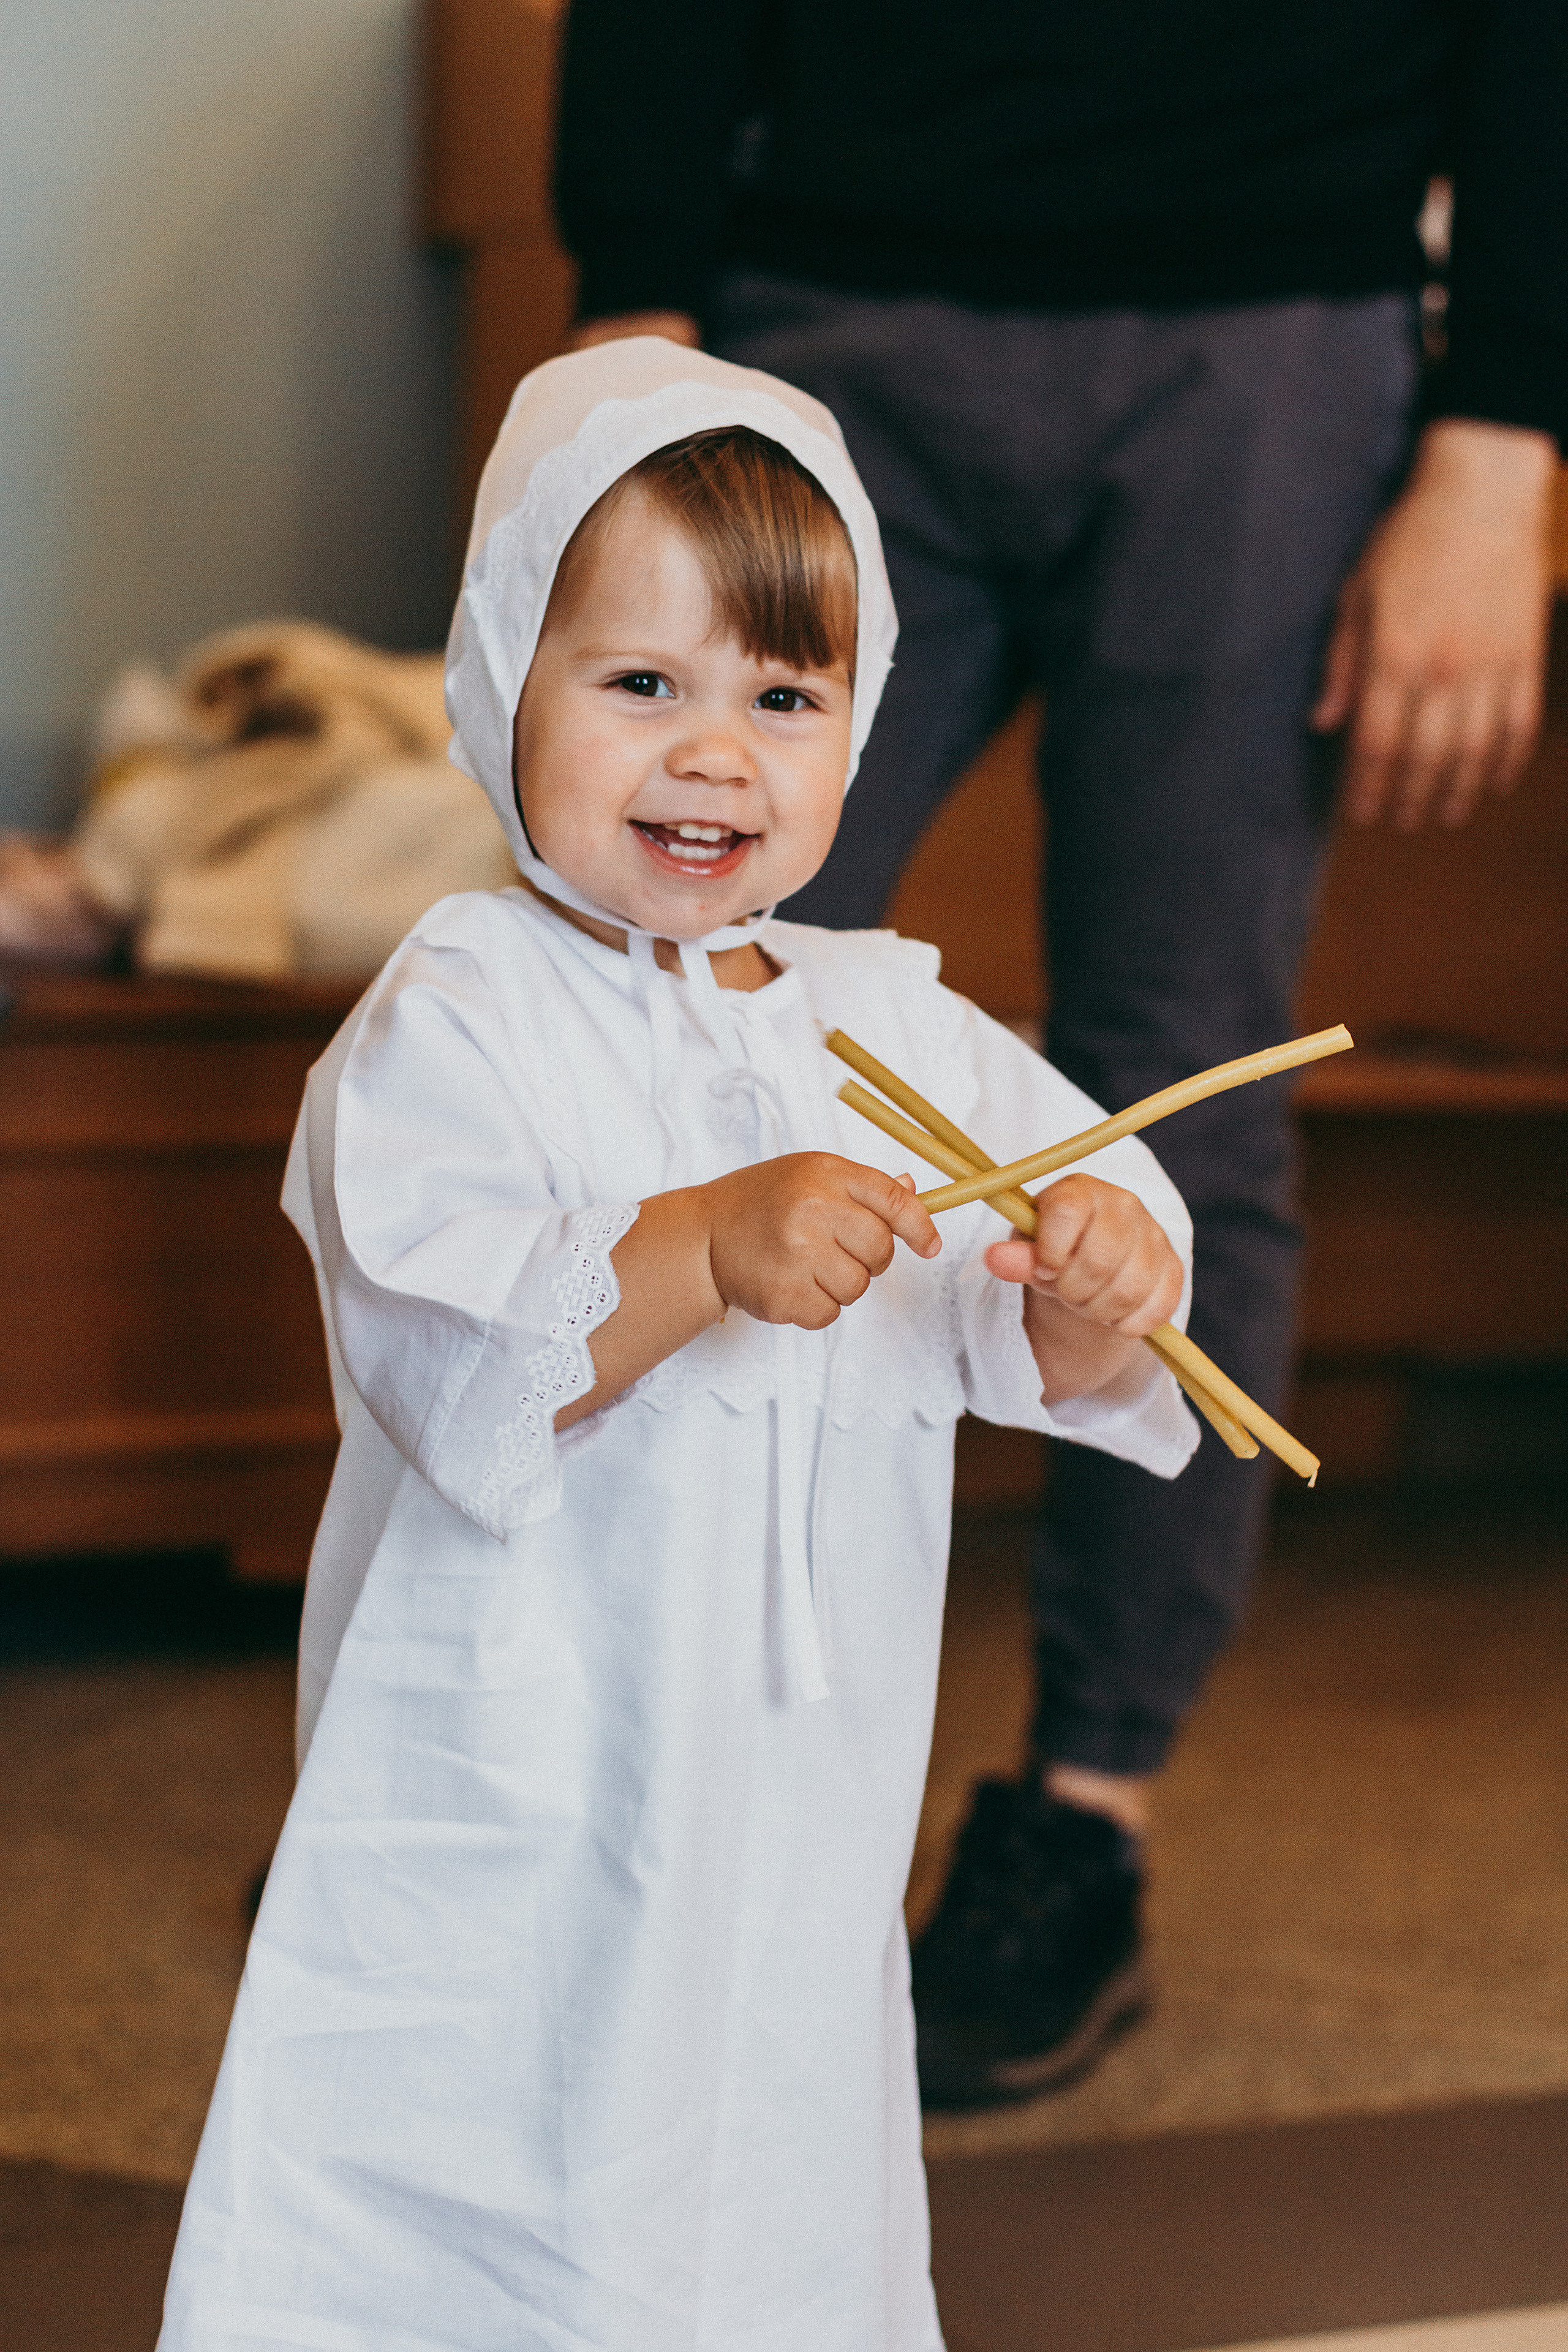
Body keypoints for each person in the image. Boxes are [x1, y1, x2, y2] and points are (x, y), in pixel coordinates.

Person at [553, 0, 1566, 2106]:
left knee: (1183, 1093)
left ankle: (1078, 1820)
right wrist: (630, 311)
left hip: (1278, 334)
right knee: (623, 1019)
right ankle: (527, 1761)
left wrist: (1507, 428)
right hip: (821, 310)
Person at [157, 339, 1200, 2350]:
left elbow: (1072, 1326)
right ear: (499, 679)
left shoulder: (884, 1019)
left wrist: (1093, 1275)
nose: (715, 753)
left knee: (764, 2149)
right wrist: (704, 1242)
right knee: (481, 2145)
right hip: (520, 1754)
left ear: (856, 724)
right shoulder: (456, 1013)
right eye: (643, 684)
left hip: (797, 1792)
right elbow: (445, 1333)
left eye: (783, 698)